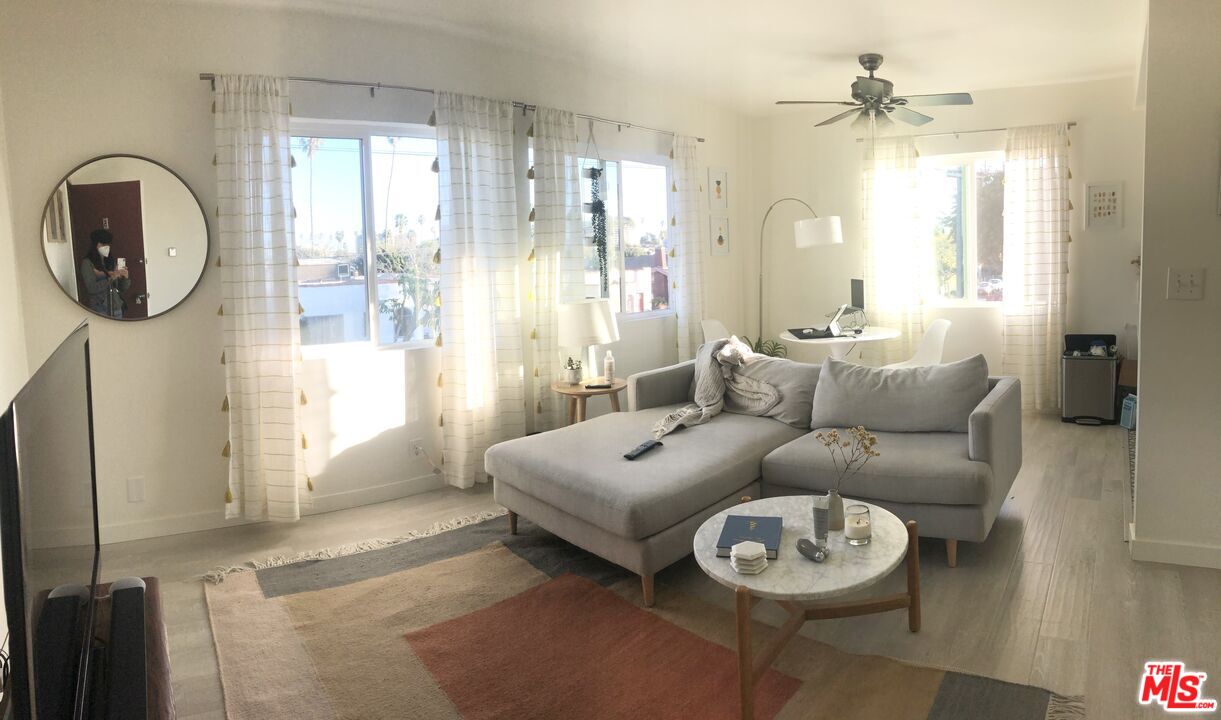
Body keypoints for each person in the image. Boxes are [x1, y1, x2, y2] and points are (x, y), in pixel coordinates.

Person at [79, 229, 130, 318]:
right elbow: (91, 288)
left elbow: (121, 288)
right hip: (100, 309)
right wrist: (110, 278)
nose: (106, 247)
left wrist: (125, 278)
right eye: (103, 244)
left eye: (108, 244)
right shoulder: (87, 263)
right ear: (95, 245)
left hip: (116, 308)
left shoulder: (109, 261)